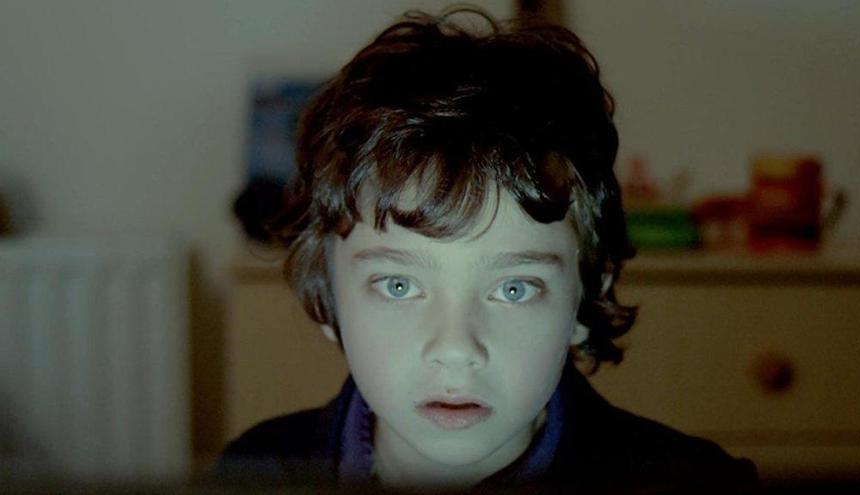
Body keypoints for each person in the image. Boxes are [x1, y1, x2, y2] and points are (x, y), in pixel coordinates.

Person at [214, 6, 758, 493]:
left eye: (514, 289)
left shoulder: (699, 483)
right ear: (328, 297)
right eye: (398, 285)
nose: (456, 349)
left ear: (586, 294)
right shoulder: (253, 474)